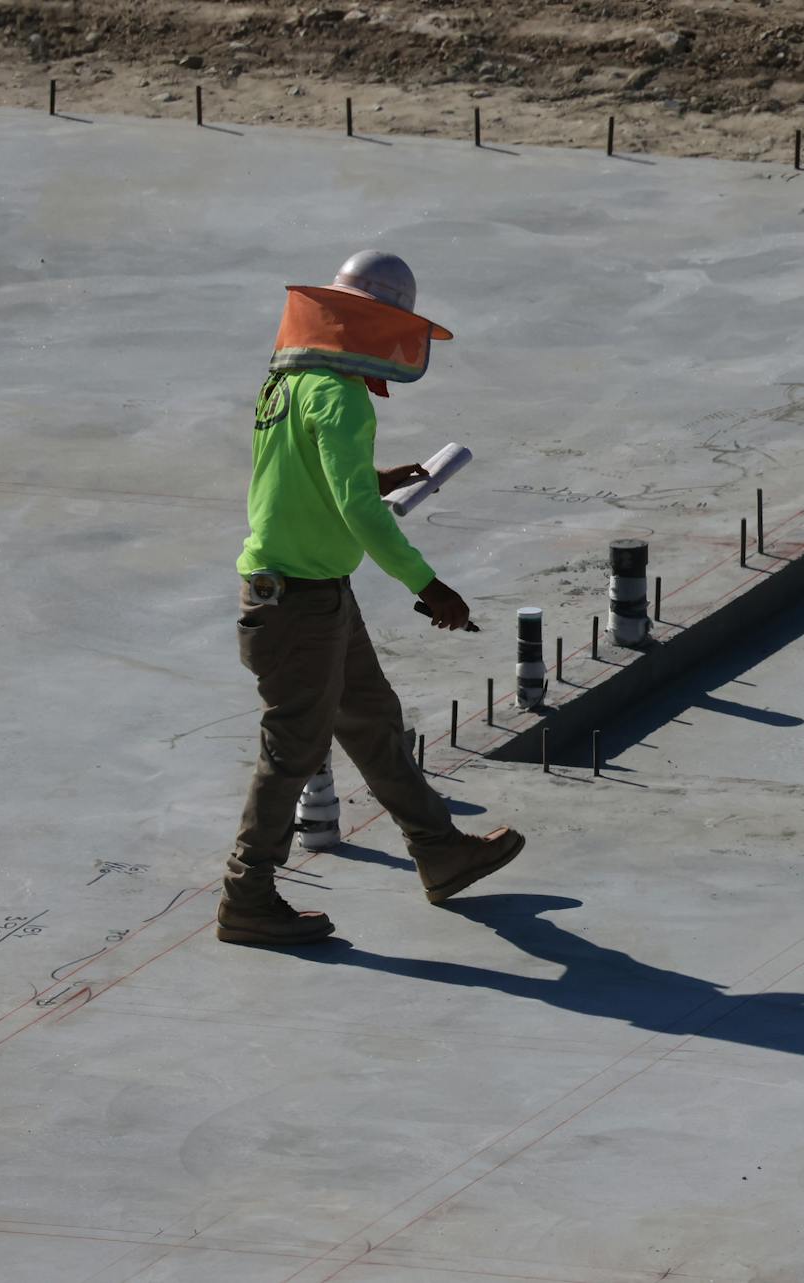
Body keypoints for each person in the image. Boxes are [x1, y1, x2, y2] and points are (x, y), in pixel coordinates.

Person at [220, 250, 523, 947]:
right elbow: (356, 509)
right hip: (299, 601)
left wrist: (377, 475)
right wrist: (429, 583)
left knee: (371, 719)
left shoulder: (289, 381)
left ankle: (439, 849)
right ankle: (247, 894)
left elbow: (313, 479)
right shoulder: (341, 395)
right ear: (372, 326)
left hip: (303, 592)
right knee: (292, 749)